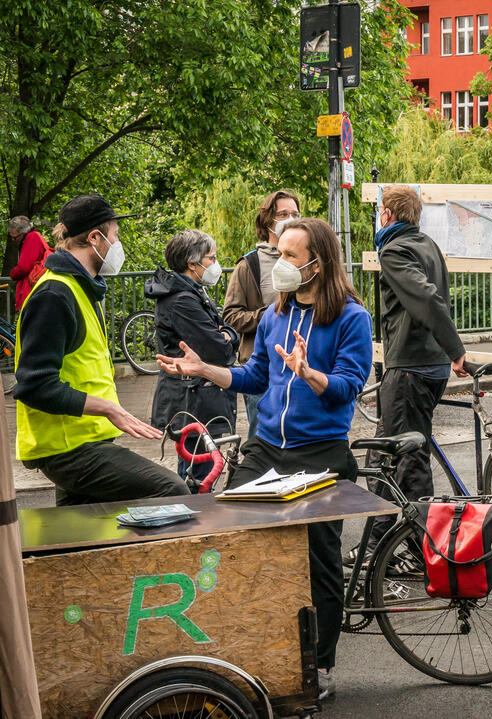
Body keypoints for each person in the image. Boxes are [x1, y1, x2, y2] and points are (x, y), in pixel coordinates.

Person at [157, 217, 372, 696]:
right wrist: (204, 369)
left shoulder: (351, 317)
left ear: (319, 264)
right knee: (237, 540)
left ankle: (319, 667)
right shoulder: (276, 314)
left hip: (321, 452)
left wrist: (311, 373)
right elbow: (255, 376)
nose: (281, 266)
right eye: (279, 255)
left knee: (319, 560)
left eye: (291, 257)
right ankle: (252, 649)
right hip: (265, 449)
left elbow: (346, 389)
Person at [13, 193, 189, 505]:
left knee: (85, 536)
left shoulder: (80, 287)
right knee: (172, 490)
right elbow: (34, 386)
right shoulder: (55, 294)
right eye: (115, 236)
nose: (117, 245)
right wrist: (108, 408)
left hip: (84, 442)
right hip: (71, 449)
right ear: (95, 238)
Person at [356, 184, 467, 559]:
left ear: (387, 213)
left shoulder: (394, 250)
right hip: (427, 366)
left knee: (409, 462)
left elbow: (427, 299)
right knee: (384, 456)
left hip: (409, 368)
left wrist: (457, 349)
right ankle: (377, 546)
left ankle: (430, 552)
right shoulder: (428, 245)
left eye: (380, 211)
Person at [146, 229, 238, 484]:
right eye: (212, 258)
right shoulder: (182, 300)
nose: (215, 264)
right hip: (193, 400)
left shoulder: (190, 291)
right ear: (192, 263)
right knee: (198, 477)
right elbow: (219, 349)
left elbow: (223, 332)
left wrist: (227, 334)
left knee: (199, 471)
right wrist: (228, 336)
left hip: (197, 398)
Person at [223, 189, 301, 437]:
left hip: (299, 368)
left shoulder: (307, 259)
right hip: (262, 370)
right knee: (262, 440)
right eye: (283, 214)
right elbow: (232, 316)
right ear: (268, 221)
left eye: (295, 214)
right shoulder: (250, 265)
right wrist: (269, 314)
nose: (291, 219)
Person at [7, 216, 51, 311]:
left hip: (33, 291)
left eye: (15, 237)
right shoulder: (32, 238)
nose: (13, 240)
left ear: (24, 233)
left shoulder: (32, 237)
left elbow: (24, 268)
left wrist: (13, 273)